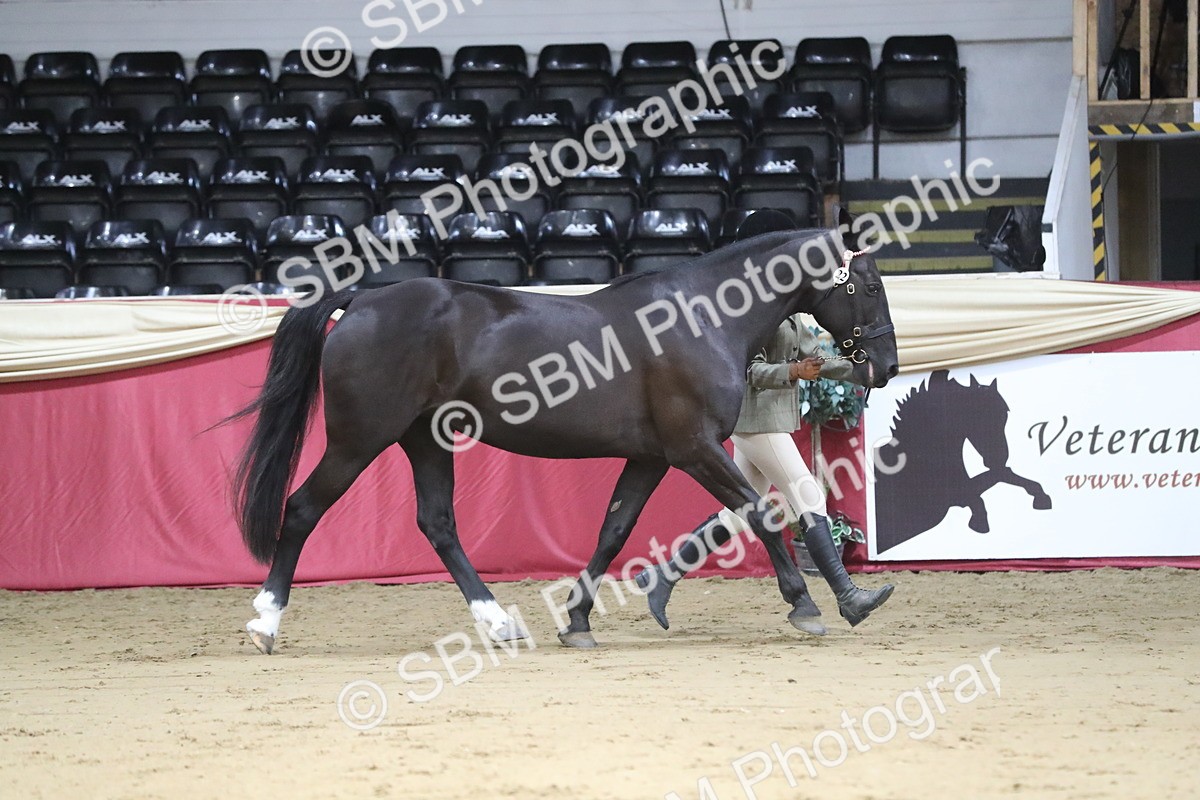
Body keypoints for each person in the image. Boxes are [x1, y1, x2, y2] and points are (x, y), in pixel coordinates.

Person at [634, 314, 894, 636]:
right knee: (808, 495)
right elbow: (749, 369)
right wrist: (793, 371)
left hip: (767, 422)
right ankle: (847, 596)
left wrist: (862, 371)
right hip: (759, 422)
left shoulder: (795, 317)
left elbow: (818, 361)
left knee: (737, 517)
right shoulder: (761, 315)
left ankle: (664, 575)